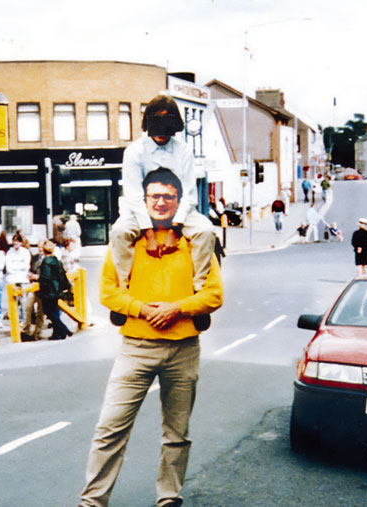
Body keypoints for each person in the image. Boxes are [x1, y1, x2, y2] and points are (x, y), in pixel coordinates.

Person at [80, 169, 223, 507]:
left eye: (168, 196)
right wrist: (145, 310)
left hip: (184, 349)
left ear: (178, 201)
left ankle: (169, 497)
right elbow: (108, 293)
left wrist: (177, 308)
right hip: (135, 349)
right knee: (109, 430)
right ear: (144, 201)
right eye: (154, 196)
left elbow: (214, 295)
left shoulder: (194, 243)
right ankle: (92, 502)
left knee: (177, 434)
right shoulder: (127, 243)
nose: (161, 202)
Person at [111, 94, 215, 293]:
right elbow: (133, 195)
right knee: (119, 232)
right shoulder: (134, 151)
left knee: (206, 231)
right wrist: (149, 234)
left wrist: (174, 230)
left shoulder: (183, 150)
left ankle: (199, 286)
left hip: (177, 211)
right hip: (140, 211)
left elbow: (189, 194)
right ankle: (124, 286)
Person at [37, 240, 73, 341]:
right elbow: (63, 275)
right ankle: (58, 333)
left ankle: (64, 329)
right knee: (54, 311)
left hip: (49, 290)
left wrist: (39, 280)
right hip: (57, 289)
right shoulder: (57, 260)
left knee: (48, 311)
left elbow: (46, 277)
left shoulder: (46, 262)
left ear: (44, 251)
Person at [21, 247, 46, 342]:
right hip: (33, 286)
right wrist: (30, 275)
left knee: (40, 311)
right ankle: (26, 329)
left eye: (41, 247)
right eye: (39, 247)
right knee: (28, 307)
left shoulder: (48, 258)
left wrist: (37, 276)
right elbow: (30, 269)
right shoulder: (34, 258)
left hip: (42, 287)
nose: (40, 249)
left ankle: (37, 332)